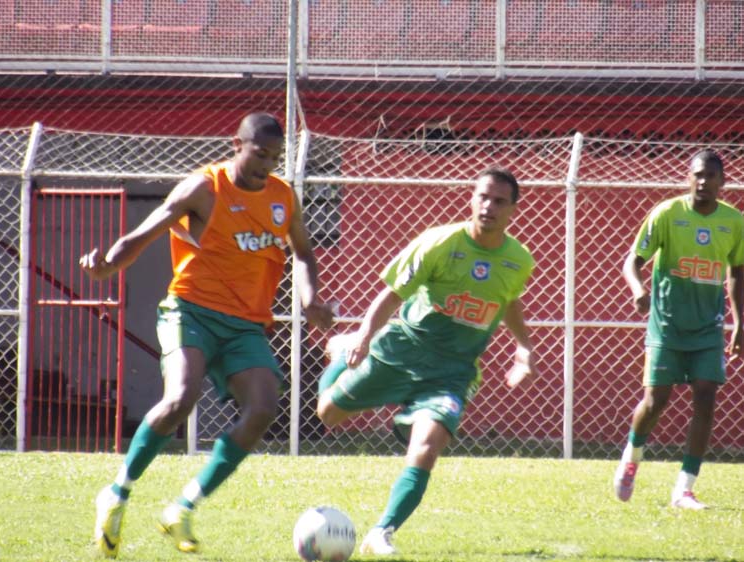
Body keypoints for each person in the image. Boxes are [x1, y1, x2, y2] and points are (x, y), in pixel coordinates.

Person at [80, 112, 333, 558]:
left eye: (275, 158)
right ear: (236, 144)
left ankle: (182, 508)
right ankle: (117, 492)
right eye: (259, 154)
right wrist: (108, 265)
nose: (266, 166)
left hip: (245, 324)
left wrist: (310, 298)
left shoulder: (283, 197)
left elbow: (305, 255)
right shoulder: (204, 187)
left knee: (263, 408)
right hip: (190, 310)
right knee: (181, 397)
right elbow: (145, 233)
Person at [317, 167, 538, 555]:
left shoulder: (517, 260)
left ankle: (381, 531)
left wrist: (524, 347)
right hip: (401, 351)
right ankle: (341, 352)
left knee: (428, 446)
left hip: (452, 372)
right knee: (328, 414)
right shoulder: (438, 243)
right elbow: (391, 294)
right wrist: (364, 338)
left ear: (513, 210)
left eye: (499, 201)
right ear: (472, 199)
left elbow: (509, 301)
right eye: (483, 197)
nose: (488, 206)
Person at [614, 149, 744, 509]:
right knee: (657, 400)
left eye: (711, 176)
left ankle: (684, 487)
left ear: (723, 182)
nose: (703, 181)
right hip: (667, 324)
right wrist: (639, 289)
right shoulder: (667, 214)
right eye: (697, 175)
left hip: (708, 326)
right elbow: (632, 261)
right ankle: (631, 458)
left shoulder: (734, 222)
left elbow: (737, 273)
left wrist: (740, 322)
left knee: (706, 396)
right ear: (688, 178)